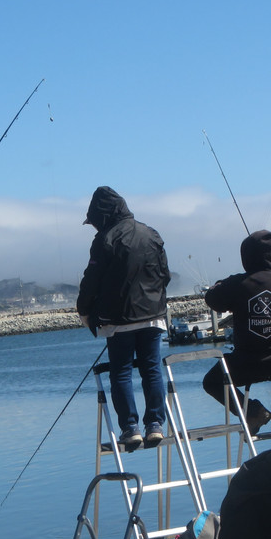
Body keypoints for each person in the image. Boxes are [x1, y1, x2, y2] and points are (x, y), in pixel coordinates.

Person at [77, 186, 171, 452]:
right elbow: (165, 275)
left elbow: (91, 281)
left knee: (121, 373)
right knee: (151, 369)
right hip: (153, 316)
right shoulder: (151, 233)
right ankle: (155, 425)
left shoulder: (105, 239)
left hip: (118, 320)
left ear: (102, 216)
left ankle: (130, 430)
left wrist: (84, 310)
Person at [201, 230, 271, 435]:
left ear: (246, 256)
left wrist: (221, 284)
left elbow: (212, 299)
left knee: (212, 381)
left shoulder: (238, 283)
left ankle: (252, 411)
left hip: (249, 362)